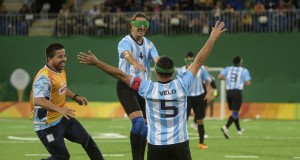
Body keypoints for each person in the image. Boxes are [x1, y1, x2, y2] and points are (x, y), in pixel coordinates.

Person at [78, 21, 226, 160]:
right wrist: (212, 38)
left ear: (156, 71)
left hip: (156, 146)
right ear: (173, 71)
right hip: (180, 144)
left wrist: (97, 63)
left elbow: (120, 75)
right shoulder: (182, 84)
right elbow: (199, 61)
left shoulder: (147, 87)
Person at [29, 43, 104, 160]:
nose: (64, 59)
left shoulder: (60, 70)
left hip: (63, 117)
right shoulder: (43, 78)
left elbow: (62, 87)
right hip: (46, 125)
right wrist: (60, 109)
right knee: (62, 157)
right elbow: (38, 100)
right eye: (60, 56)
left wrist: (75, 97)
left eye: (64, 55)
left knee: (88, 141)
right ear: (50, 59)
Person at [116, 12, 159, 160]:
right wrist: (134, 62)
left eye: (145, 25)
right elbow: (127, 54)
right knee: (139, 123)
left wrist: (163, 66)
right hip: (126, 86)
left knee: (147, 128)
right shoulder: (124, 42)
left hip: (143, 89)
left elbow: (156, 59)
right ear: (131, 25)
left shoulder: (149, 44)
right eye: (138, 25)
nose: (141, 27)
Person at [177, 52, 211, 149]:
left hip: (199, 96)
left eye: (192, 58)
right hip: (186, 98)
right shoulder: (181, 70)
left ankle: (201, 143)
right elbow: (178, 84)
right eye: (189, 58)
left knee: (200, 120)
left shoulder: (202, 68)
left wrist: (208, 93)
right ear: (186, 59)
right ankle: (180, 143)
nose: (191, 59)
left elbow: (208, 80)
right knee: (183, 120)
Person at [218, 55, 251, 139]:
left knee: (234, 112)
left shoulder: (228, 69)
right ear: (240, 62)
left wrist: (227, 79)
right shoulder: (244, 70)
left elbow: (220, 77)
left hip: (229, 92)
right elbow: (247, 83)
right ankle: (226, 127)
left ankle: (239, 129)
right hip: (237, 92)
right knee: (235, 112)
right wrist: (243, 81)